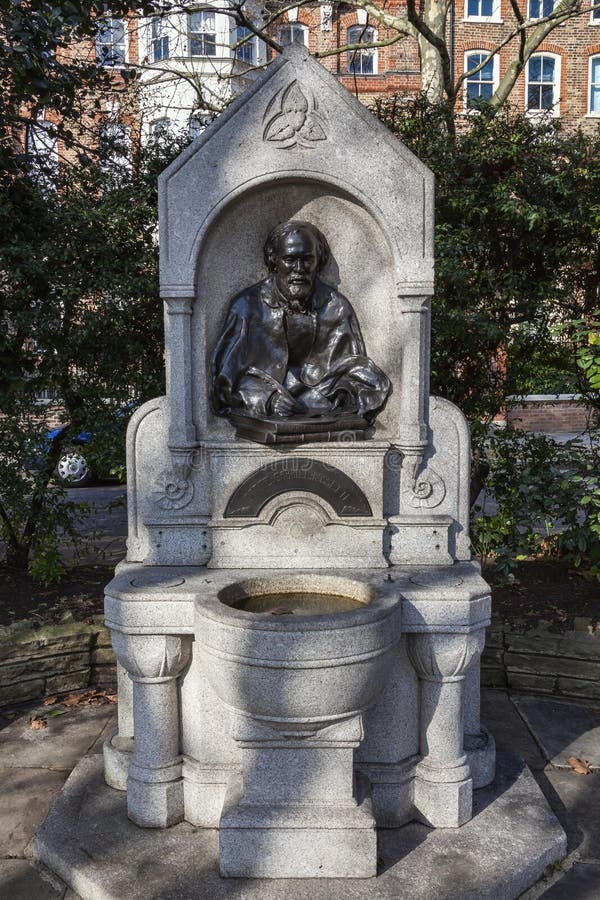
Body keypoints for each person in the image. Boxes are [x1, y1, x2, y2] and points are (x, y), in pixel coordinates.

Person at [212, 220, 390, 423]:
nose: (299, 269)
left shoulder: (337, 308)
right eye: (289, 259)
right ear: (274, 261)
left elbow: (357, 373)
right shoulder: (246, 307)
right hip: (268, 413)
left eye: (307, 259)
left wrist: (324, 398)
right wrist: (266, 399)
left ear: (319, 261)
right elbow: (224, 381)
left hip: (320, 408)